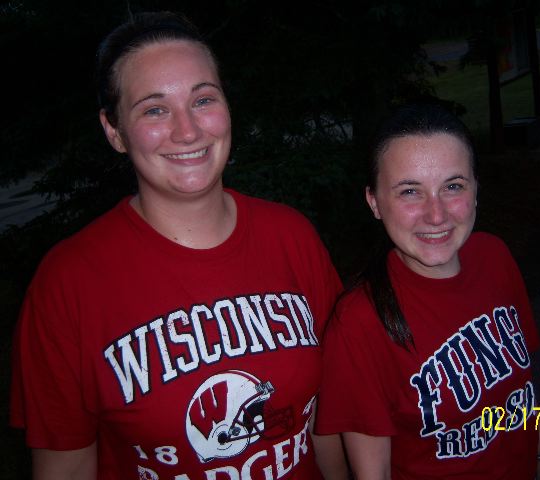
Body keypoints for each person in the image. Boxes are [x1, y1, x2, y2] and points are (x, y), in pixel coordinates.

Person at [10, 11, 348, 480]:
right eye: (154, 109)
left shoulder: (292, 237)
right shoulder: (68, 283)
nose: (188, 131)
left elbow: (326, 419)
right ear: (114, 131)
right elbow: (65, 467)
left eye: (203, 99)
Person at [315, 103, 540, 479]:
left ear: (476, 189)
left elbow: (520, 388)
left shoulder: (494, 256)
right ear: (374, 202)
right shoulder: (358, 324)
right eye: (410, 191)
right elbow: (373, 473)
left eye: (453, 186)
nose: (437, 214)